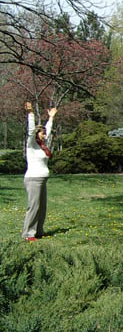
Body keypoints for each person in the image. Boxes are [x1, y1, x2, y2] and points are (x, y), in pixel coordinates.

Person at [22, 102, 57, 241]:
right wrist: (30, 114)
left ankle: (39, 231)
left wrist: (51, 118)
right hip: (33, 179)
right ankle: (28, 234)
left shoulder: (43, 146)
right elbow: (31, 130)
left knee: (42, 207)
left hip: (42, 179)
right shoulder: (32, 145)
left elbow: (48, 129)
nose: (45, 135)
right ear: (37, 134)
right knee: (34, 207)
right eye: (42, 133)